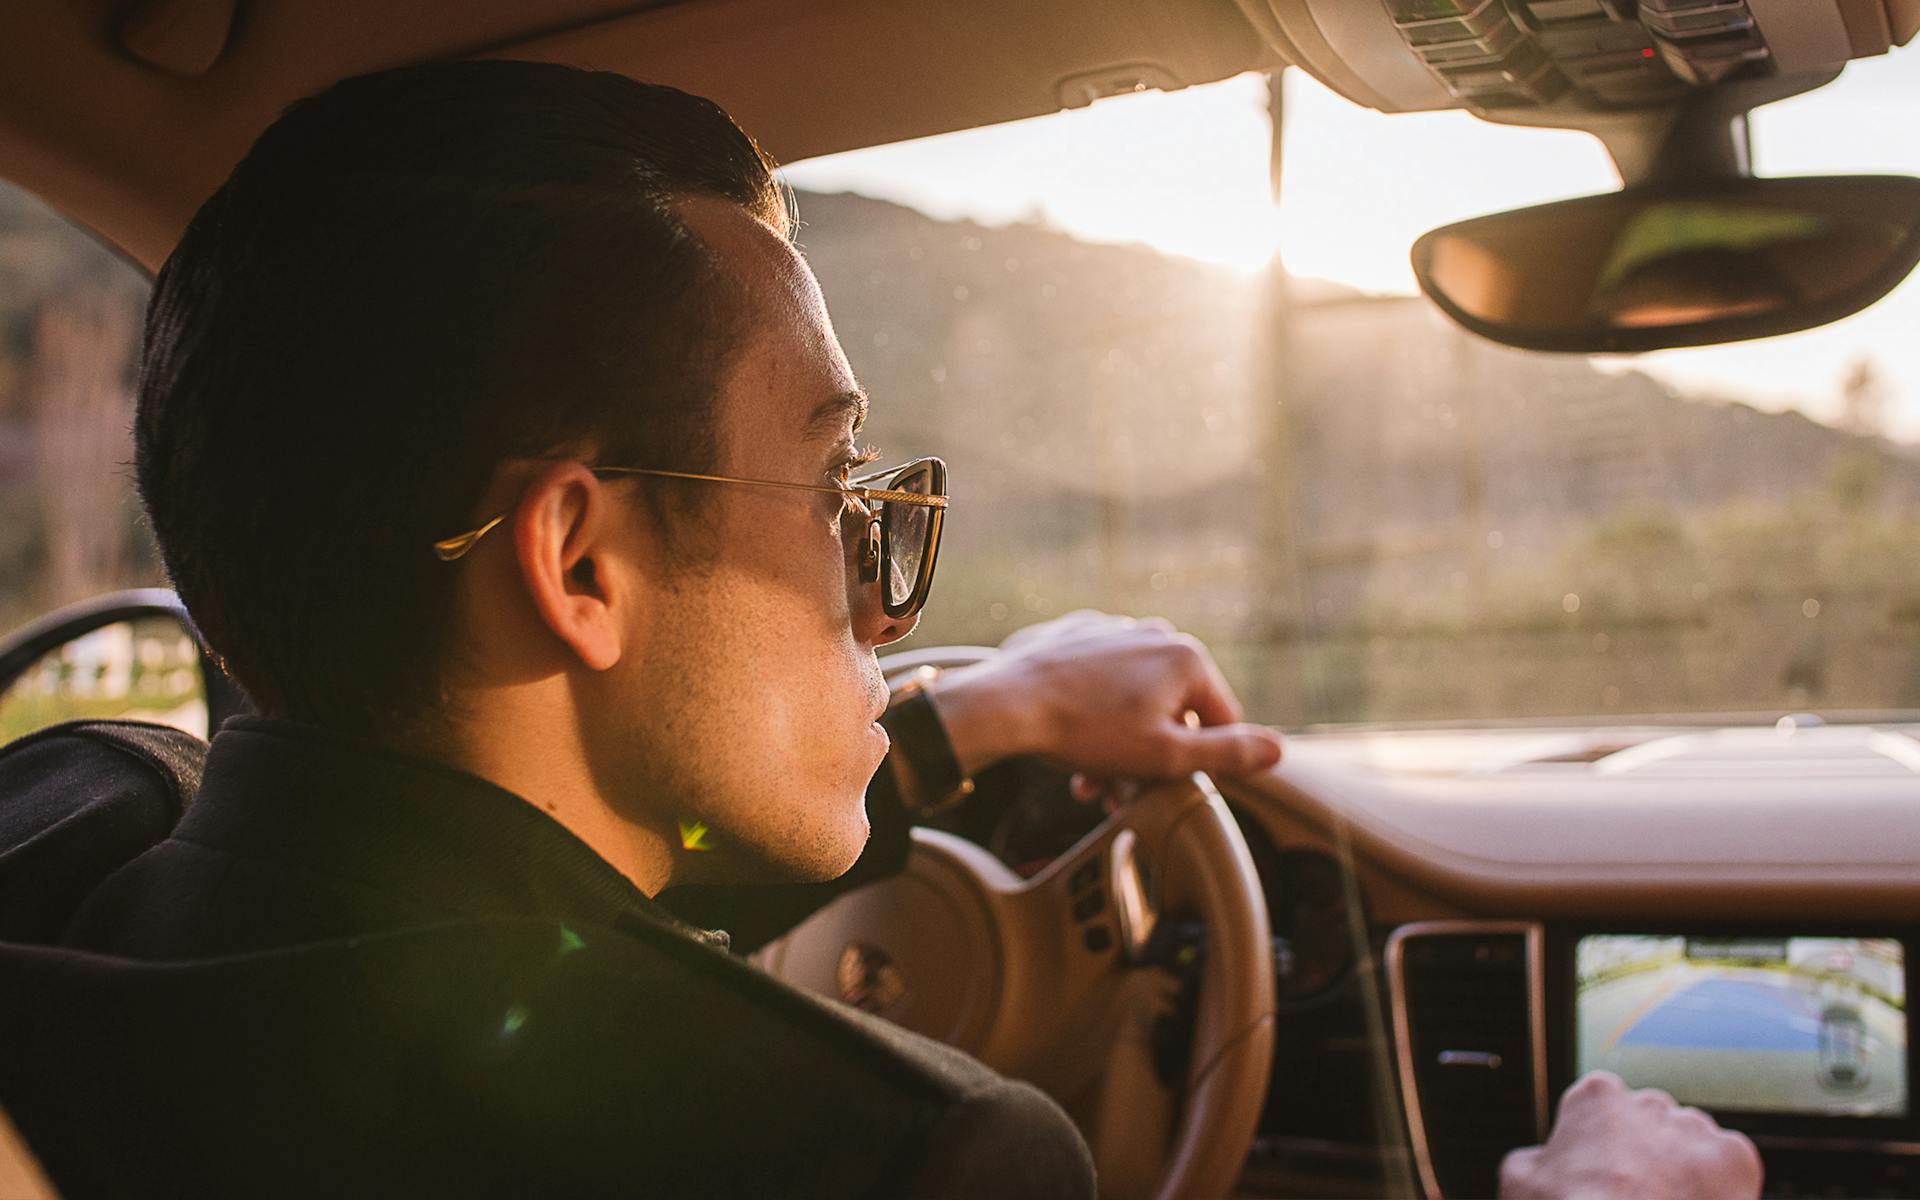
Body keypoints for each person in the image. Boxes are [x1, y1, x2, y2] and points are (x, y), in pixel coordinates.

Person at [31, 58, 1759, 1199]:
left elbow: (469, 920)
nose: (879, 596)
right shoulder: (902, 1159)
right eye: (838, 484)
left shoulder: (74, 873)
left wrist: (972, 723)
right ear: (580, 563)